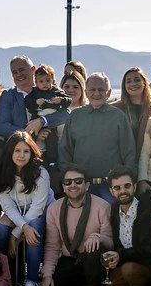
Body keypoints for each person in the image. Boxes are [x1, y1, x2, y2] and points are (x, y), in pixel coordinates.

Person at [40, 165, 112, 286]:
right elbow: (52, 246)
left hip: (93, 262)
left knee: (94, 247)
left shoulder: (102, 206)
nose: (73, 185)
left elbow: (111, 242)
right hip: (70, 260)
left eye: (78, 181)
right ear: (63, 187)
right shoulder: (54, 209)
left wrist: (98, 237)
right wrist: (47, 275)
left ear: (87, 185)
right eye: (68, 182)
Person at [0, 131, 54, 286]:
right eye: (17, 151)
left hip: (41, 210)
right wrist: (17, 229)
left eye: (26, 151)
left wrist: (17, 233)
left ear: (32, 152)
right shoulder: (1, 173)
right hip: (16, 211)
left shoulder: (41, 173)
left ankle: (31, 283)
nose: (21, 155)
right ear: (10, 152)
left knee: (33, 228)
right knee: (1, 229)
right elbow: (8, 207)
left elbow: (37, 209)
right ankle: (8, 276)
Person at [57, 73, 136, 204]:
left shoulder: (118, 117)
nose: (96, 93)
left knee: (111, 217)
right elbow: (65, 151)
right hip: (81, 185)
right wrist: (69, 181)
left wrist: (126, 182)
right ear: (86, 92)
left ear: (108, 92)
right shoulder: (75, 116)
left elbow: (129, 152)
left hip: (111, 186)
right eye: (92, 89)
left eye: (101, 89)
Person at [97, 167, 151, 286]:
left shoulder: (147, 209)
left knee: (129, 269)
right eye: (117, 188)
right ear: (111, 191)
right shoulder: (113, 211)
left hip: (148, 267)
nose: (123, 191)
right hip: (123, 266)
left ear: (135, 186)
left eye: (127, 186)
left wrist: (121, 255)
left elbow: (150, 250)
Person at [0, 56, 69, 140]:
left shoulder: (51, 90)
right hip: (22, 146)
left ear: (33, 69)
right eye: (14, 72)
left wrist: (42, 121)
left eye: (21, 70)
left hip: (51, 144)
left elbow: (66, 113)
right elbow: (1, 127)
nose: (18, 74)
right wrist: (30, 133)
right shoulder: (9, 95)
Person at [25, 64, 72, 164]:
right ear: (36, 82)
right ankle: (34, 158)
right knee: (32, 137)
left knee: (52, 141)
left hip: (51, 121)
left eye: (47, 80)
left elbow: (69, 100)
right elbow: (27, 103)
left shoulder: (56, 91)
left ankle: (52, 161)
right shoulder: (34, 93)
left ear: (53, 80)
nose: (44, 84)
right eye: (41, 81)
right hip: (36, 118)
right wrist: (36, 102)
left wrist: (61, 100)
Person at [115, 67, 151, 156]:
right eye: (128, 81)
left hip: (147, 158)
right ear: (124, 86)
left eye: (137, 80)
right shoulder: (116, 109)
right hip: (122, 158)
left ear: (144, 83)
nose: (133, 84)